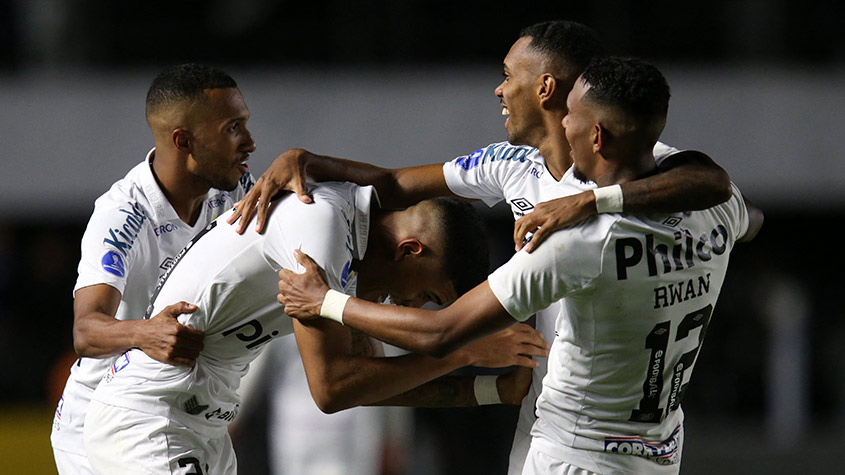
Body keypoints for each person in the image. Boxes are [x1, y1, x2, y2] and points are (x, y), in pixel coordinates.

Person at [228, 20, 737, 473]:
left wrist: (589, 204)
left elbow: (441, 331)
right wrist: (306, 159)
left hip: (575, 439)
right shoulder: (519, 166)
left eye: (508, 73)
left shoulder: (574, 239)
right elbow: (393, 182)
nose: (499, 88)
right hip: (646, 439)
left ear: (547, 88)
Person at [82, 182, 548, 474]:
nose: (411, 306)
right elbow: (333, 389)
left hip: (199, 429)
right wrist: (462, 351)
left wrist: (491, 392)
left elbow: (369, 383)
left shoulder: (349, 258)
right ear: (411, 250)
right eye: (426, 295)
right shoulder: (320, 226)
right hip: (153, 418)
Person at [50, 62, 257, 474]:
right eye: (232, 128)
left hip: (189, 414)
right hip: (105, 422)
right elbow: (86, 330)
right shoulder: (122, 213)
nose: (249, 142)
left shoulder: (235, 195)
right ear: (183, 140)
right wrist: (147, 332)